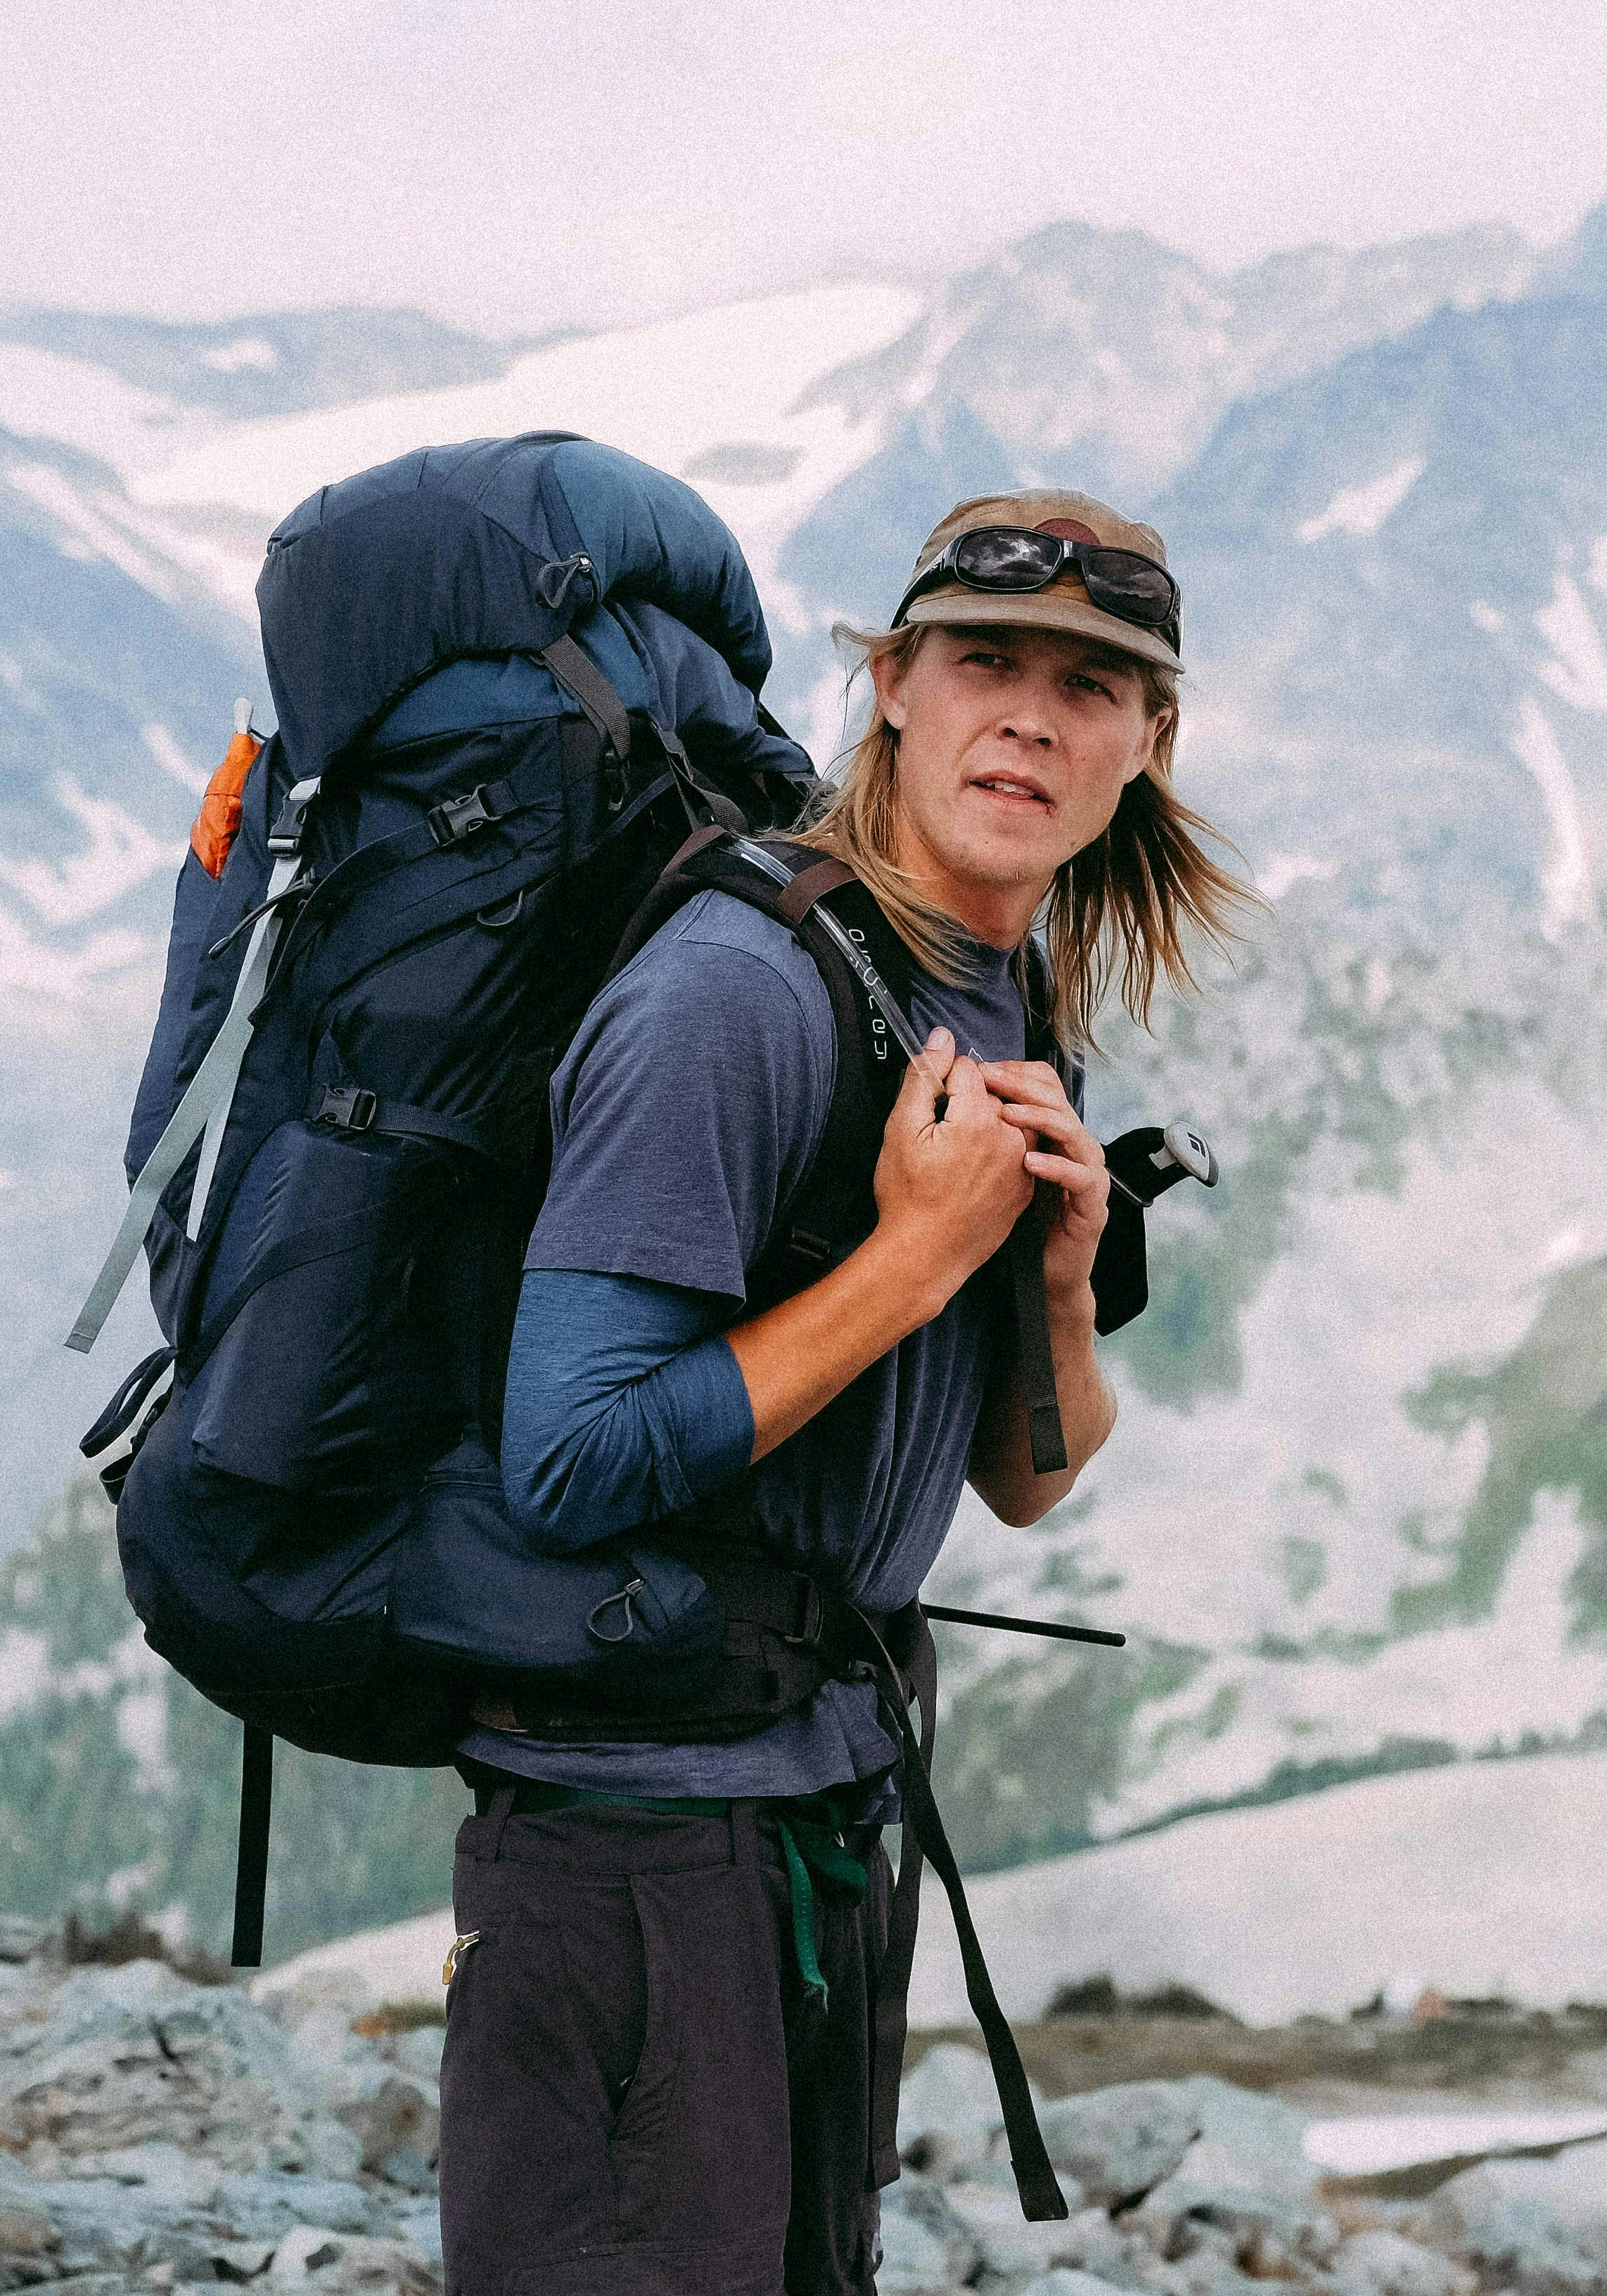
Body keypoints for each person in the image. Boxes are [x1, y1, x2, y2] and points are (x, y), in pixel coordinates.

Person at [439, 491, 1250, 2295]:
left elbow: (1026, 1484)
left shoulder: (997, 982)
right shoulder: (732, 992)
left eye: (1090, 683)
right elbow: (567, 1457)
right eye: (983, 661)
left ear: (1150, 738)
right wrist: (906, 1259)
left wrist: (1044, 1271)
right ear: (890, 683)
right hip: (633, 1833)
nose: (1029, 717)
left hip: (818, 1793)